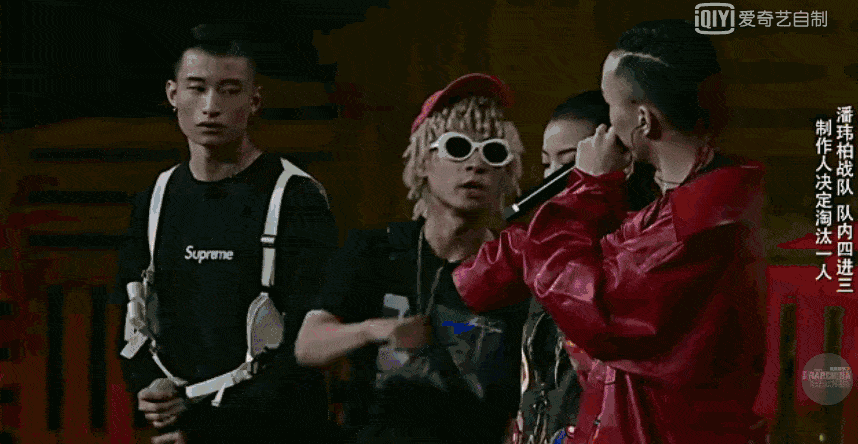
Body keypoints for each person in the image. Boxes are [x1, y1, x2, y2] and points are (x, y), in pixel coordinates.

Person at [454, 20, 768, 444]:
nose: (606, 127)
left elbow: (595, 307)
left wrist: (588, 188)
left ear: (642, 119)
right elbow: (486, 282)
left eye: (609, 104)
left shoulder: (706, 218)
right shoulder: (677, 206)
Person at [112, 24, 340, 443]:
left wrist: (209, 427)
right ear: (172, 94)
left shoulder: (295, 198)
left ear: (254, 100)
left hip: (274, 431)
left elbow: (306, 342)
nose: (211, 106)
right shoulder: (156, 198)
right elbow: (131, 315)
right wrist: (149, 385)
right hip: (180, 429)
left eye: (230, 90)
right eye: (197, 88)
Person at [295, 73, 529, 444]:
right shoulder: (376, 250)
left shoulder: (516, 269)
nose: (476, 165)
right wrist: (377, 330)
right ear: (423, 162)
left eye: (493, 152)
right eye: (457, 147)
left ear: (507, 173)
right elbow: (308, 345)